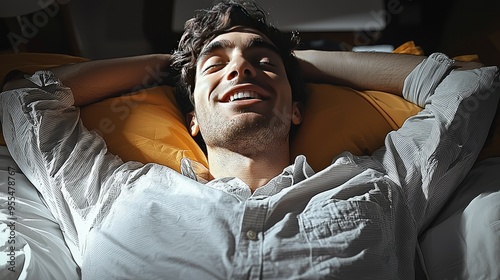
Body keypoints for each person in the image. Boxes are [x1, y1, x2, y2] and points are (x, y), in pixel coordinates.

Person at [0, 0, 498, 279]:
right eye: (218, 64)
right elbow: (24, 100)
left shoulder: (378, 186)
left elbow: (470, 86)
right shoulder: (118, 192)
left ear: (297, 105)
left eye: (262, 63)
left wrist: (307, 63)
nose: (240, 66)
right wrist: (170, 67)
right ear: (192, 117)